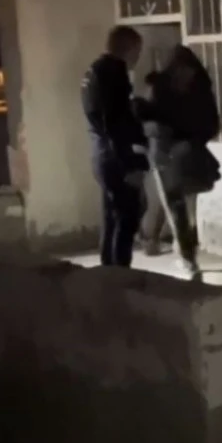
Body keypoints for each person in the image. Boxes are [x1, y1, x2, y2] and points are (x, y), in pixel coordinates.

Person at [135, 45, 222, 280]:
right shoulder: (197, 89)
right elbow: (211, 124)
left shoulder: (163, 88)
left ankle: (182, 252)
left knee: (176, 205)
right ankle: (183, 252)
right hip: (178, 153)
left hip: (170, 153)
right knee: (178, 206)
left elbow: (150, 121)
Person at [82, 25, 148, 267]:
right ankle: (120, 273)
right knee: (127, 216)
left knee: (112, 217)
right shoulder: (114, 72)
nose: (138, 58)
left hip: (101, 153)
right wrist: (132, 165)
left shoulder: (95, 70)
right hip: (115, 156)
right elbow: (118, 124)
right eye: (137, 51)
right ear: (128, 49)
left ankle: (109, 271)